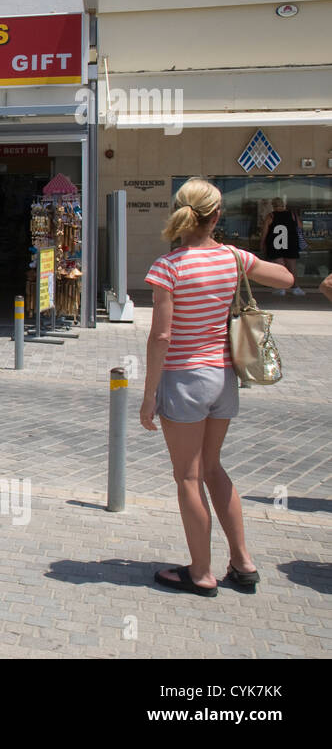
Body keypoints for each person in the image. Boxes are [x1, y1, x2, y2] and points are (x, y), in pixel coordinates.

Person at [140, 178, 294, 596]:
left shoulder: (168, 267)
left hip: (185, 378)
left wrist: (149, 393)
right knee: (213, 467)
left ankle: (202, 572)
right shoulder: (232, 257)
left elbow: (161, 338)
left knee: (188, 477)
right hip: (224, 377)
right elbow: (283, 277)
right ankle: (243, 562)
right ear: (216, 216)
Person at [260, 197, 304, 296]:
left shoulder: (270, 216)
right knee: (292, 267)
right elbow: (300, 226)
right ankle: (295, 288)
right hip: (290, 243)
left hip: (276, 244)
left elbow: (264, 233)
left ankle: (281, 288)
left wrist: (262, 243)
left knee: (279, 267)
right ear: (284, 205)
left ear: (273, 206)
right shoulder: (292, 215)